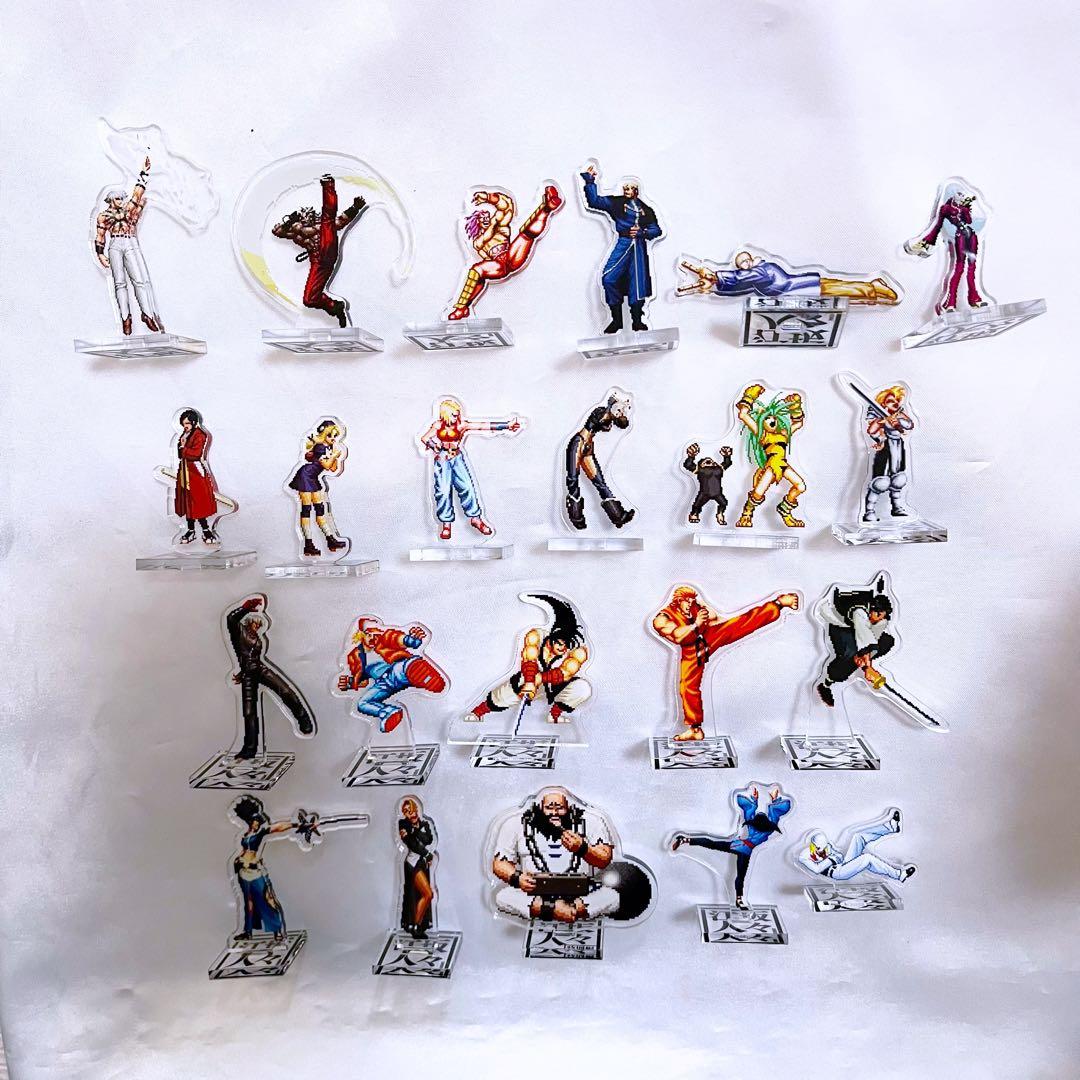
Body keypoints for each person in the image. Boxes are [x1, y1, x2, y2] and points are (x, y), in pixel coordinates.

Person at [652, 586, 799, 741]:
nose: (689, 604)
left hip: (709, 636)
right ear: (677, 602)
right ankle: (695, 729)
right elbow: (678, 636)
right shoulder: (662, 618)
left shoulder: (695, 606)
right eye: (685, 601)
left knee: (740, 623)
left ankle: (779, 603)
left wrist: (706, 611)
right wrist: (696, 624)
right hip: (691, 649)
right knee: (687, 686)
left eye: (691, 600)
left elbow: (716, 619)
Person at [491, 788, 618, 924]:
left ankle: (573, 909)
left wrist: (583, 848)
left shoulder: (591, 821)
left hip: (581, 892)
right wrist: (518, 878)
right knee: (502, 897)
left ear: (569, 807)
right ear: (539, 807)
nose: (554, 813)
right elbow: (499, 863)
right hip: (534, 893)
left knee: (612, 897)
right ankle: (552, 909)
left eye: (559, 808)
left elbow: (605, 858)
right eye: (549, 808)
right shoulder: (515, 823)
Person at [468, 594, 590, 726]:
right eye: (560, 643)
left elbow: (565, 673)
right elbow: (529, 660)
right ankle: (478, 712)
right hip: (528, 679)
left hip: (555, 684)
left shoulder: (579, 650)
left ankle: (554, 715)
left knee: (582, 688)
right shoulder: (536, 635)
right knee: (515, 685)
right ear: (553, 635)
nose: (563, 648)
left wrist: (539, 678)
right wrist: (531, 681)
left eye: (567, 645)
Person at [447, 184, 563, 320]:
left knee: (527, 235)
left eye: (487, 216)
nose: (486, 219)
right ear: (476, 221)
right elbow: (482, 250)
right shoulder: (478, 242)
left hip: (511, 255)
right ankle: (462, 308)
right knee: (476, 270)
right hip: (497, 266)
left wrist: (488, 197)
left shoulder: (499, 225)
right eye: (482, 217)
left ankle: (547, 208)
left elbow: (507, 205)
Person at [671, 785, 792, 910]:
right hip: (744, 851)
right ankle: (739, 900)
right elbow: (774, 814)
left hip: (738, 845)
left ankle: (685, 840)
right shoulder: (768, 830)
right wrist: (774, 800)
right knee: (739, 874)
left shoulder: (754, 825)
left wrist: (755, 800)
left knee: (712, 844)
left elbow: (750, 811)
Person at [418, 398, 521, 541]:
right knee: (443, 490)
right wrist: (434, 445)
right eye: (454, 415)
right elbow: (424, 438)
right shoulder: (438, 425)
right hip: (442, 460)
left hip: (456, 458)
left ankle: (476, 518)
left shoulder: (461, 425)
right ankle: (446, 523)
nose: (457, 417)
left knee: (467, 486)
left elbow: (481, 426)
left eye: (457, 414)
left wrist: (506, 425)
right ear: (446, 414)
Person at [226, 597, 315, 760]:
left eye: (259, 624)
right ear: (250, 621)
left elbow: (246, 656)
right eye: (256, 623)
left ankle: (303, 719)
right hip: (248, 674)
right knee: (249, 711)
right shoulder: (239, 631)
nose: (258, 626)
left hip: (260, 669)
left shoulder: (256, 637)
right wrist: (245, 608)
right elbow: (231, 619)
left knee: (285, 691)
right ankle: (249, 748)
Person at [272, 174, 366, 327]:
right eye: (304, 215)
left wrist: (355, 208)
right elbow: (277, 231)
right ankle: (335, 307)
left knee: (328, 219)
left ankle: (328, 184)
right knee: (309, 299)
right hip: (319, 264)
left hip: (328, 249)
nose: (306, 216)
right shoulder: (296, 231)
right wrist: (288, 222)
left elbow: (341, 221)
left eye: (309, 214)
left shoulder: (321, 225)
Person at [580, 164, 663, 332]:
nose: (626, 190)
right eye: (625, 188)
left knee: (637, 284)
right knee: (608, 278)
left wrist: (643, 232)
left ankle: (637, 321)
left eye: (630, 188)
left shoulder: (647, 209)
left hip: (638, 249)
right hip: (623, 244)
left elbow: (657, 230)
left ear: (636, 191)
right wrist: (590, 181)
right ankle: (616, 319)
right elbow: (595, 201)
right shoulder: (616, 203)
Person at [337, 618, 447, 735]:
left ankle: (423, 674)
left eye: (375, 634)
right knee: (362, 703)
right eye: (369, 634)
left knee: (405, 668)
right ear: (362, 635)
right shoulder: (354, 656)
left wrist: (411, 640)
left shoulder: (384, 638)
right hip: (384, 684)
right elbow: (362, 680)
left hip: (396, 668)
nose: (373, 638)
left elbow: (396, 638)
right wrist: (350, 683)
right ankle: (389, 712)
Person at [94, 155, 164, 335]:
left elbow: (136, 195)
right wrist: (100, 253)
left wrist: (143, 174)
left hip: (129, 241)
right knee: (119, 283)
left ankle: (147, 314)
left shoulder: (128, 209)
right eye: (117, 199)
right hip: (115, 243)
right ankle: (126, 318)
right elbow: (100, 235)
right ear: (111, 200)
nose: (121, 201)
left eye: (121, 198)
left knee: (139, 280)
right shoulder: (103, 216)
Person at [677, 251, 898, 305]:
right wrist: (714, 286)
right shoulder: (760, 270)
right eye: (740, 264)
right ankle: (872, 286)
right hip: (801, 283)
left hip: (796, 289)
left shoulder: (761, 270)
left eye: (744, 262)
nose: (743, 266)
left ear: (751, 260)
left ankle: (873, 289)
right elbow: (742, 285)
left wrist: (716, 277)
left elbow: (741, 279)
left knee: (839, 291)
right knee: (837, 286)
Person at [905, 182, 987, 314]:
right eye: (959, 194)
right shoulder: (945, 209)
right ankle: (950, 303)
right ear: (952, 195)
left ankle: (974, 299)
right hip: (960, 237)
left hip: (971, 236)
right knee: (958, 269)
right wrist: (928, 240)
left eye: (962, 194)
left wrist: (966, 209)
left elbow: (969, 221)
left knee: (972, 268)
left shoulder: (963, 208)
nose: (961, 196)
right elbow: (937, 225)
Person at [733, 383, 807, 529]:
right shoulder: (763, 434)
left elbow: (798, 424)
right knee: (758, 492)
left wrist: (795, 407)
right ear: (762, 422)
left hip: (783, 465)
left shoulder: (783, 434)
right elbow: (743, 415)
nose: (772, 420)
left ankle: (785, 509)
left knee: (800, 486)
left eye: (773, 418)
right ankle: (746, 514)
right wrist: (749, 397)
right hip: (771, 466)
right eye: (767, 418)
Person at [814, 579, 896, 708]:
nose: (880, 619)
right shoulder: (860, 611)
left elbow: (871, 635)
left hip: (859, 630)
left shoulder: (878, 618)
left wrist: (865, 660)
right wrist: (867, 667)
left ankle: (857, 660)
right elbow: (864, 636)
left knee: (887, 641)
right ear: (874, 610)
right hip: (841, 626)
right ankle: (826, 684)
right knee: (850, 653)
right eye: (879, 615)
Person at [229, 796, 298, 942]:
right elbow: (243, 851)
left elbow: (277, 828)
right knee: (248, 902)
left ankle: (277, 930)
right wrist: (238, 860)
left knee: (268, 899)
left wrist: (294, 824)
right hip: (243, 871)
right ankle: (247, 931)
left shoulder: (261, 834)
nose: (256, 824)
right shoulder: (245, 835)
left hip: (256, 871)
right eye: (254, 821)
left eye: (257, 822)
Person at [564, 390, 635, 529]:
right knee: (572, 480)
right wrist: (614, 407)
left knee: (600, 482)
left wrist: (621, 412)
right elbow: (604, 420)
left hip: (588, 447)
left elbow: (621, 424)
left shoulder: (609, 416)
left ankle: (618, 516)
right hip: (578, 443)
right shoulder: (601, 412)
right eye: (620, 410)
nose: (621, 412)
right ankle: (577, 519)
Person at [798, 808, 916, 884]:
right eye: (819, 848)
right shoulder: (804, 855)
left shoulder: (825, 846)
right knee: (867, 858)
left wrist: (834, 857)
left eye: (824, 847)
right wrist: (832, 859)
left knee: (857, 837)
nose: (822, 850)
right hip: (838, 873)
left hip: (842, 864)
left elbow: (838, 856)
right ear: (813, 845)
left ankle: (890, 828)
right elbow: (817, 869)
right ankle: (899, 875)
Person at [287, 419, 348, 558]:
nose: (333, 438)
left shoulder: (329, 448)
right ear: (324, 435)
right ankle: (308, 544)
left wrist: (335, 457)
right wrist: (334, 456)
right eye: (330, 435)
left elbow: (333, 468)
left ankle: (330, 539)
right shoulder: (320, 447)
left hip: (313, 478)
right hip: (305, 477)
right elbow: (326, 465)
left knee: (320, 509)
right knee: (306, 510)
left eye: (335, 436)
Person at [862, 385, 915, 523]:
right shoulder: (881, 417)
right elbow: (872, 431)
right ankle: (869, 511)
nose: (895, 403)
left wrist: (898, 420)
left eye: (897, 400)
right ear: (884, 404)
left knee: (899, 479)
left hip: (898, 447)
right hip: (885, 448)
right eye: (891, 401)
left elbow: (909, 425)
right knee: (881, 482)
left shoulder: (900, 414)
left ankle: (897, 507)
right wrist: (883, 421)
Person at [172, 408, 222, 546]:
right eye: (183, 424)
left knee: (198, 501)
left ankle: (206, 529)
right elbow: (180, 454)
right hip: (185, 471)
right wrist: (182, 447)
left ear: (194, 422)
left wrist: (183, 448)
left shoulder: (200, 435)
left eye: (187, 423)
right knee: (187, 501)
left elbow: (196, 454)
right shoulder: (185, 434)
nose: (185, 426)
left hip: (195, 472)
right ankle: (191, 530)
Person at [399, 798, 437, 939]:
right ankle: (416, 925)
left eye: (412, 810)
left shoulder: (425, 823)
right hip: (412, 863)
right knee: (428, 894)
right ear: (404, 814)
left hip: (423, 863)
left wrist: (416, 830)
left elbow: (429, 840)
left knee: (422, 895)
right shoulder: (403, 824)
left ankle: (420, 924)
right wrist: (427, 854)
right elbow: (411, 843)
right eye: (407, 812)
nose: (411, 813)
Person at [683, 443, 733, 524]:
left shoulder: (718, 469)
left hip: (717, 493)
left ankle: (720, 514)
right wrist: (691, 456)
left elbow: (727, 463)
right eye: (707, 462)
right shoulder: (700, 470)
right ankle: (694, 514)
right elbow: (688, 465)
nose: (710, 462)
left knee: (723, 503)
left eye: (712, 462)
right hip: (704, 493)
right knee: (697, 505)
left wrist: (727, 456)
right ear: (701, 465)